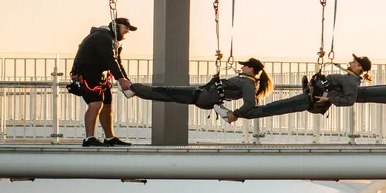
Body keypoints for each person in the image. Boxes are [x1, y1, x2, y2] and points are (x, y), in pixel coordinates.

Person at [223, 54, 372, 122]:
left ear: (359, 67)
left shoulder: (352, 82)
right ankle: (235, 114)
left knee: (273, 107)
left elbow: (349, 100)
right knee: (274, 107)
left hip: (309, 100)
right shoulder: (349, 78)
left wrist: (329, 98)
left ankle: (233, 115)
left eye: (355, 62)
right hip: (308, 97)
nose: (351, 62)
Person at [68, 17, 136, 147]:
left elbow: (117, 63)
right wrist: (120, 80)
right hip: (86, 73)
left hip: (99, 75)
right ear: (116, 26)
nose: (127, 32)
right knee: (95, 103)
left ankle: (110, 138)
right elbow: (110, 60)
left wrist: (126, 80)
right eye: (126, 28)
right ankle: (89, 138)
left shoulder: (111, 40)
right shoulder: (102, 37)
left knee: (107, 104)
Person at [131, 58, 273, 118]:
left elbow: (250, 103)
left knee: (165, 92)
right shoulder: (246, 81)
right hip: (204, 95)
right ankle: (133, 90)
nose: (241, 67)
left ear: (250, 69)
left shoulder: (248, 83)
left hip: (204, 96)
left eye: (244, 65)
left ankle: (132, 87)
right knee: (167, 92)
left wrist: (234, 114)